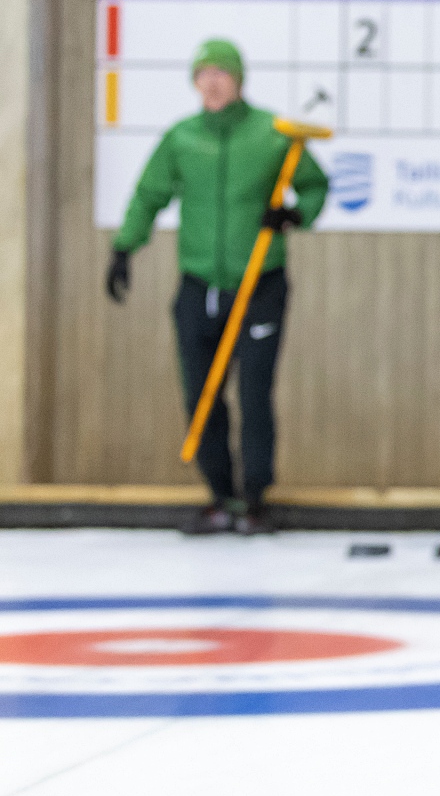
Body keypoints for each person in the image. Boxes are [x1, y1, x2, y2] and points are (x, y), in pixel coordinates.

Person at [105, 39, 328, 536]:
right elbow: (149, 194)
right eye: (203, 73)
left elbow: (315, 186)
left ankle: (255, 499)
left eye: (221, 73)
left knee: (254, 393)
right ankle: (219, 496)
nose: (212, 82)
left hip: (260, 284)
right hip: (199, 286)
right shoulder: (182, 138)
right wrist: (124, 248)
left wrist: (294, 215)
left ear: (238, 79)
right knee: (202, 393)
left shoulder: (272, 135)